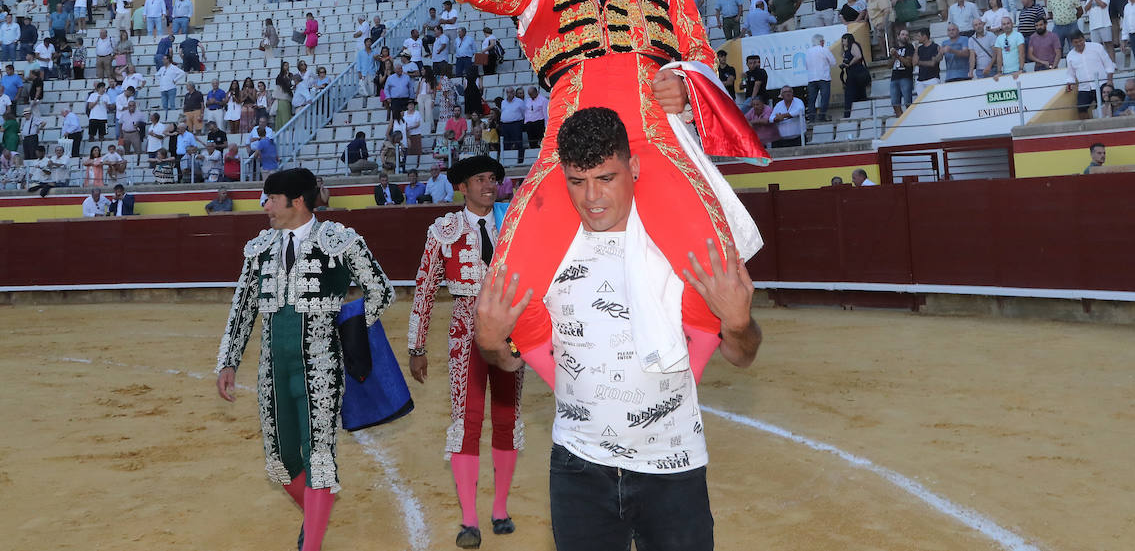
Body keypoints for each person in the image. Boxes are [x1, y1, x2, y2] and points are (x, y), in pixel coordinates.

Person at [444, 0, 766, 368]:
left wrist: (686, 86)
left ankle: (682, 369)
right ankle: (566, 370)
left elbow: (702, 55)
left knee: (722, 277)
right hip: (567, 140)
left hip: (655, 135)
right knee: (503, 294)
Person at [473, 107, 761, 551]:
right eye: (577, 181)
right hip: (578, 466)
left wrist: (739, 322)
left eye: (605, 178)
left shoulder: (681, 247)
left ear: (635, 167)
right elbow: (511, 361)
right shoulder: (545, 254)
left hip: (674, 464)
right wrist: (491, 343)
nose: (591, 197)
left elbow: (743, 355)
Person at [215, 168, 394, 551]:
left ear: (296, 201)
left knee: (319, 457)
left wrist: (351, 328)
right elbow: (243, 307)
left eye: (271, 199)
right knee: (280, 462)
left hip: (321, 365)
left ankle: (311, 541)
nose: (265, 207)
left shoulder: (338, 241)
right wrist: (228, 361)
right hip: (272, 370)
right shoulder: (260, 247)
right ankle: (317, 512)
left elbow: (381, 290)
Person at [408, 156, 524, 548]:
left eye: (493, 179)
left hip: (509, 330)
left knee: (507, 416)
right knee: (468, 420)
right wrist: (417, 345)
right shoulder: (443, 230)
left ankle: (501, 509)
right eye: (480, 179)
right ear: (463, 187)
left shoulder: (513, 225)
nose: (489, 185)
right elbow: (425, 287)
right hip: (465, 330)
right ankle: (470, 519)